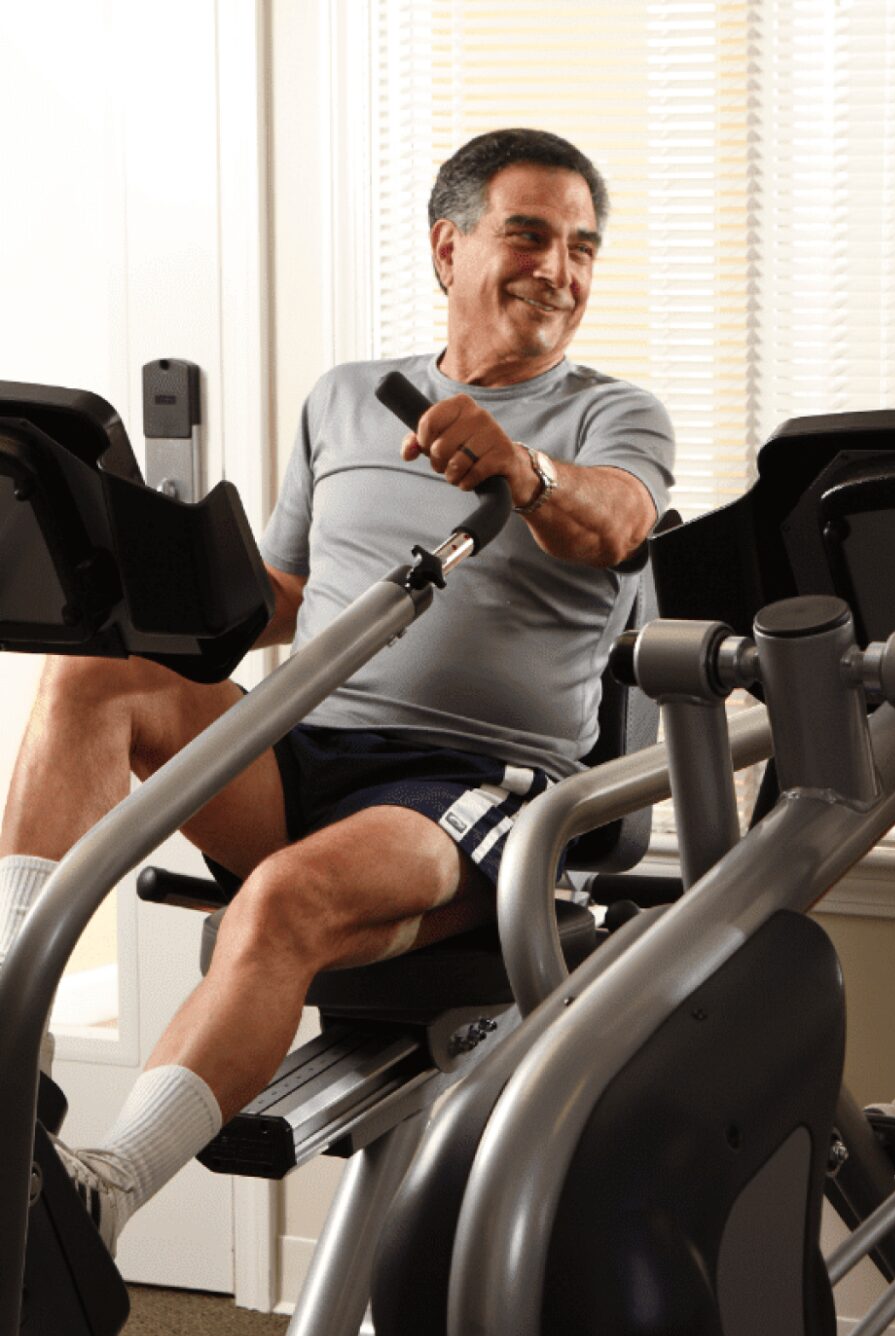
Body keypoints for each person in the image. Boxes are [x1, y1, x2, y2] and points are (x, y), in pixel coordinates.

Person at [0, 128, 673, 1255]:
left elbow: (613, 520)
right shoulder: (345, 398)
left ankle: (104, 1191)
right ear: (446, 246)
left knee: (275, 904)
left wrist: (521, 466)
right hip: (301, 747)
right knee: (93, 669)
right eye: (528, 234)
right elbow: (288, 593)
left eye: (582, 246)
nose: (559, 268)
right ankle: (11, 1047)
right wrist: (138, 575)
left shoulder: (616, 415)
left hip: (471, 788)